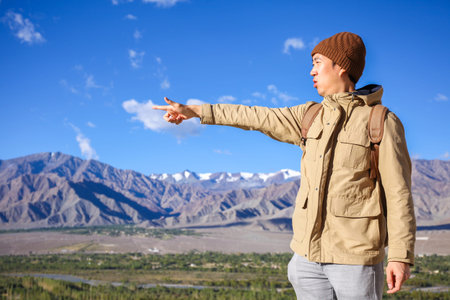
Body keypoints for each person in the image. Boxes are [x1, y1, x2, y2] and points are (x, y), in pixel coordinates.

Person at [153, 32, 416, 299]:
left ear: (342, 66)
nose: (311, 71)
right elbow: (256, 116)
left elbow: (398, 193)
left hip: (355, 261)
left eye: (317, 62)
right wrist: (195, 111)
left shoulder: (380, 121)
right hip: (306, 261)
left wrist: (399, 255)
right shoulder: (309, 115)